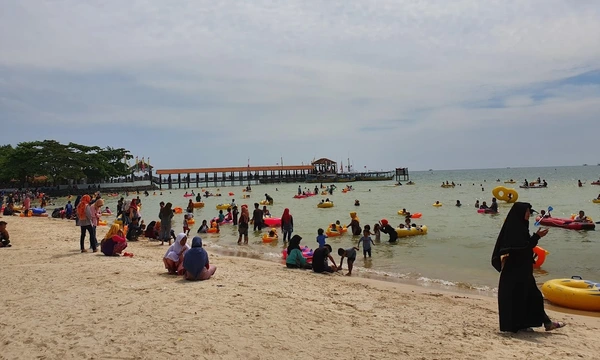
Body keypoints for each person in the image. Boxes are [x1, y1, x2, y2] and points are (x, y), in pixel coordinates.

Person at [491, 202, 565, 333]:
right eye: (526, 212)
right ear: (520, 213)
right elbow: (521, 248)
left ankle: (539, 323)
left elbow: (523, 245)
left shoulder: (520, 226)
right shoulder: (514, 228)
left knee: (528, 296)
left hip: (521, 269)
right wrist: (537, 237)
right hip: (516, 270)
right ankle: (544, 323)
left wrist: (535, 238)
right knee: (527, 296)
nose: (528, 214)